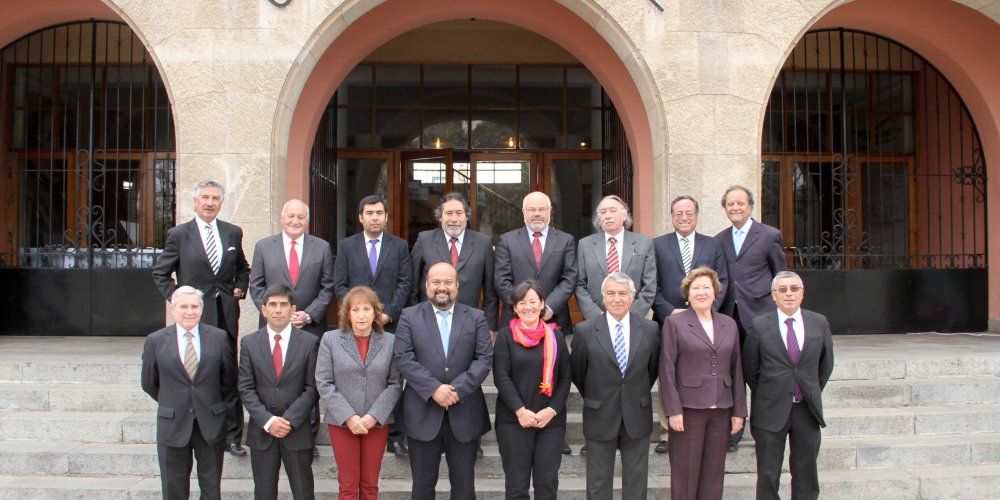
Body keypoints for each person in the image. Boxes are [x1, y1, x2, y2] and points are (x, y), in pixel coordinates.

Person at [152, 180, 251, 457]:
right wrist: (180, 299)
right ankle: (197, 430)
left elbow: (243, 267)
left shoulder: (232, 233)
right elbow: (160, 273)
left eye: (215, 198)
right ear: (195, 201)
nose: (210, 202)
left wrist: (239, 289)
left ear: (221, 203)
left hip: (226, 316)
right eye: (205, 197)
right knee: (199, 376)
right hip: (195, 320)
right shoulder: (179, 234)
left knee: (228, 375)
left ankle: (233, 437)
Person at [394, 262, 493, 499]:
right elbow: (404, 357)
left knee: (464, 489)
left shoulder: (476, 317)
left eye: (448, 282)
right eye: (436, 282)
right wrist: (434, 389)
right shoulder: (409, 316)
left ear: (457, 285)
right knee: (422, 488)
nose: (442, 287)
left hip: (464, 413)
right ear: (426, 285)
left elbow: (484, 358)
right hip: (423, 412)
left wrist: (456, 390)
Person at [332, 194, 412, 455]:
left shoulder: (399, 246)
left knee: (393, 380)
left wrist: (387, 314)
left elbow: (404, 283)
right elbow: (340, 284)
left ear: (386, 217)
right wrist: (356, 315)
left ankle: (395, 436)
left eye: (379, 213)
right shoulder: (347, 246)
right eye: (369, 213)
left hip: (389, 325)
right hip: (356, 328)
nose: (374, 217)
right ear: (360, 217)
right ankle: (356, 422)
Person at [743, 271, 834, 500]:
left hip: (806, 409)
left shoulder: (819, 322)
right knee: (768, 474)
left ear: (802, 293)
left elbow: (825, 365)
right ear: (774, 295)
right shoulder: (759, 325)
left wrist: (807, 389)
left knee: (806, 473)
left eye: (794, 288)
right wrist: (774, 390)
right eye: (782, 290)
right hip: (770, 409)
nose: (789, 294)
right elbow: (750, 369)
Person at [140, 286, 237, 500]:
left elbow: (228, 380)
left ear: (202, 309)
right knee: (173, 488)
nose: (189, 311)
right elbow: (149, 382)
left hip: (209, 424)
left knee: (211, 489)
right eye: (183, 306)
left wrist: (207, 401)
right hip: (173, 423)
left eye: (194, 306)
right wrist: (173, 400)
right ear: (173, 309)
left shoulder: (219, 338)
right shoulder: (155, 341)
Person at [650, 195, 730, 453]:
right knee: (669, 373)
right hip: (670, 321)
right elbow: (653, 285)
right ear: (671, 215)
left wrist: (707, 311)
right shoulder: (658, 245)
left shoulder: (713, 244)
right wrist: (668, 312)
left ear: (697, 215)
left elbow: (723, 282)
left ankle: (707, 424)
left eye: (689, 212)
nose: (684, 217)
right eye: (678, 213)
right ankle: (666, 430)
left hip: (707, 323)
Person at [570, 272, 660, 500]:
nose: (617, 298)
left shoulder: (650, 329)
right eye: (611, 293)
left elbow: (651, 370)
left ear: (632, 297)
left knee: (636, 485)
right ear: (603, 297)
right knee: (598, 485)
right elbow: (579, 374)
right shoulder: (585, 330)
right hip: (599, 414)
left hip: (637, 414)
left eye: (623, 293)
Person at [659, 267, 746, 500]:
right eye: (696, 288)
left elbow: (737, 369)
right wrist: (673, 410)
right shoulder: (674, 323)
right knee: (685, 474)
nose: (701, 292)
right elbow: (666, 369)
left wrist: (739, 411)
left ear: (715, 292)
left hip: (721, 409)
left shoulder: (729, 324)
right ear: (687, 293)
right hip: (688, 410)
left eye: (706, 287)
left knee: (714, 474)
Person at [714, 185, 786, 452]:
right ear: (724, 208)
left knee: (760, 374)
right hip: (729, 318)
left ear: (750, 205)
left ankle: (762, 428)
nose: (735, 208)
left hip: (760, 316)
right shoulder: (719, 239)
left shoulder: (769, 235)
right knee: (732, 375)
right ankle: (733, 432)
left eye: (740, 203)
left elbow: (780, 277)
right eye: (730, 204)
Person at [316, 286, 402, 500]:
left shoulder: (390, 341)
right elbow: (324, 382)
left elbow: (395, 383)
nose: (361, 315)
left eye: (367, 309)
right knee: (347, 486)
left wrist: (373, 416)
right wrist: (349, 417)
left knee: (370, 485)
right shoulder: (330, 339)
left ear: (376, 313)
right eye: (355, 310)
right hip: (342, 422)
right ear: (347, 313)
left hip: (377, 422)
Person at [238, 284, 319, 500]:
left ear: (293, 310)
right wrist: (268, 420)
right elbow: (245, 388)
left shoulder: (310, 343)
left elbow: (313, 388)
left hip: (297, 431)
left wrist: (289, 420)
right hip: (263, 432)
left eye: (283, 305)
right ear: (263, 310)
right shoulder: (249, 343)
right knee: (264, 493)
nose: (278, 309)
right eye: (272, 305)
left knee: (303, 492)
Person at [493, 280, 572, 499]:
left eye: (532, 301)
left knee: (546, 485)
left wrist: (552, 411)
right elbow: (501, 377)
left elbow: (565, 378)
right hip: (514, 421)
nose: (528, 307)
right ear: (514, 307)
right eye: (521, 302)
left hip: (550, 423)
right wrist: (520, 410)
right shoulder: (506, 337)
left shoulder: (555, 336)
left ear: (542, 304)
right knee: (517, 487)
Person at [410, 192, 499, 335]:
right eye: (448, 213)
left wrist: (489, 325)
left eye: (459, 213)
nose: (454, 219)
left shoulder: (483, 243)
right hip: (428, 321)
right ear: (440, 217)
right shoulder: (424, 240)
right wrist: (413, 319)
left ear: (467, 216)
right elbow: (413, 284)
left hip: (470, 322)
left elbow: (491, 292)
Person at [249, 199, 335, 338]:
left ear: (307, 221)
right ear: (282, 219)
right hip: (273, 327)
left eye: (300, 217)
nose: (295, 221)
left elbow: (328, 287)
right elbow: (256, 286)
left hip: (310, 328)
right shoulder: (263, 247)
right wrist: (274, 313)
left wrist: (309, 315)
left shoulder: (322, 247)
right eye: (291, 216)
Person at [495, 191, 578, 336]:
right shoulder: (507, 241)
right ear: (523, 212)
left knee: (555, 359)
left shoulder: (566, 240)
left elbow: (569, 278)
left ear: (550, 211)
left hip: (554, 318)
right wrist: (523, 307)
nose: (537, 213)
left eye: (542, 209)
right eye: (532, 209)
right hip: (516, 320)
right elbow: (501, 280)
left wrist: (549, 307)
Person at [575, 194, 656, 321]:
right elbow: (580, 285)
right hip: (596, 320)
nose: (607, 216)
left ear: (624, 215)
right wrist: (596, 316)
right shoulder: (585, 244)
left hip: (633, 320)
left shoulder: (643, 243)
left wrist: (631, 316)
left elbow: (650, 285)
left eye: (612, 211)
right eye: (603, 212)